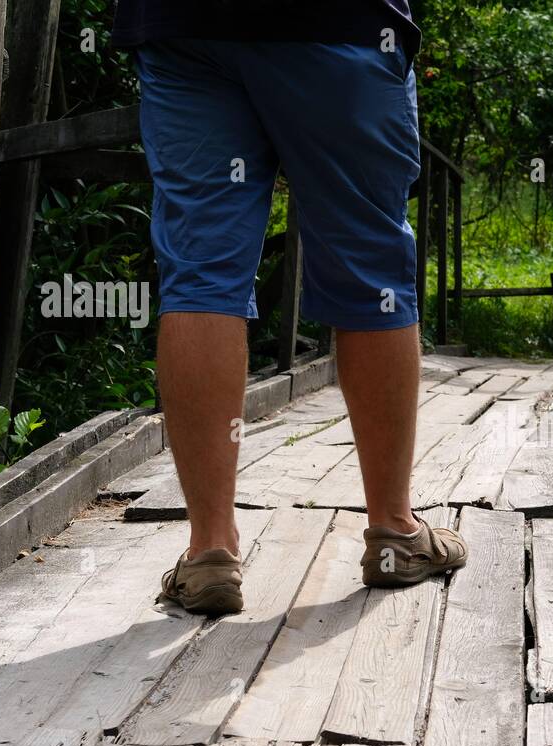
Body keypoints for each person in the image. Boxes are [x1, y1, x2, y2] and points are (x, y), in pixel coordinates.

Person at [110, 0, 467, 614]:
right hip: (337, 25)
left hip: (184, 26)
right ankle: (394, 532)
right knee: (370, 267)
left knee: (200, 274)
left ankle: (209, 554)